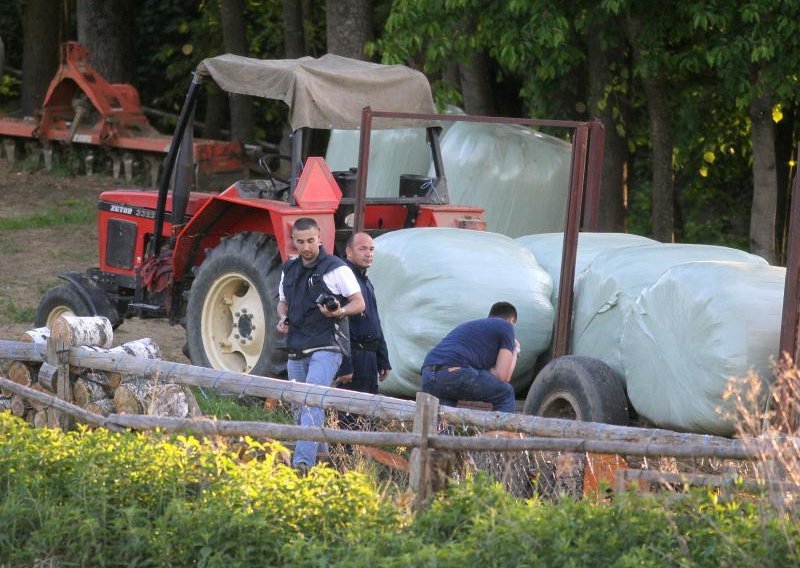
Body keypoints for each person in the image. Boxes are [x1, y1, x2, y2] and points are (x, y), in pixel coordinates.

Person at [277, 217, 365, 471]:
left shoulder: (336, 268)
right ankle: (325, 464)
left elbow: (359, 303)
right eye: (301, 241)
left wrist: (338, 312)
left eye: (311, 241)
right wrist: (283, 317)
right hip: (296, 347)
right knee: (299, 409)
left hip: (326, 346)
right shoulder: (288, 269)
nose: (306, 247)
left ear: (320, 239)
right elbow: (282, 302)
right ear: (293, 241)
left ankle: (302, 466)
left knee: (312, 402)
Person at [420, 302, 520, 413]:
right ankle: (502, 430)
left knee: (444, 421)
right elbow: (503, 377)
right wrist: (515, 350)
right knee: (505, 393)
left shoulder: (475, 328)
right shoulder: (506, 326)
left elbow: (496, 373)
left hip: (428, 375)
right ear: (511, 320)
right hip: (454, 373)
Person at [335, 232, 391, 428]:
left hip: (370, 357)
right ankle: (342, 455)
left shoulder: (366, 282)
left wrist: (383, 358)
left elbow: (375, 321)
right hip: (353, 354)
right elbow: (340, 324)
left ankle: (361, 456)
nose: (369, 254)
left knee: (367, 412)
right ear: (349, 251)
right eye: (363, 249)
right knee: (348, 413)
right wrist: (345, 364)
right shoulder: (343, 278)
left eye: (371, 249)